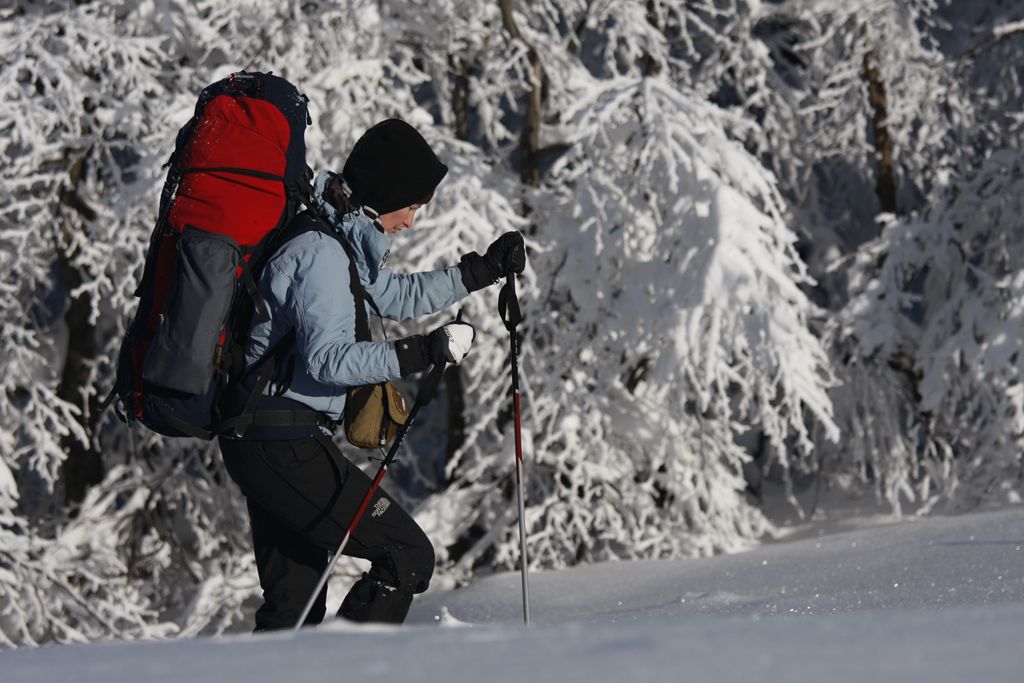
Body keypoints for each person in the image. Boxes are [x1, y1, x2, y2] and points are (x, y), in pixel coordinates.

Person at [217, 118, 525, 631]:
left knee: (293, 613)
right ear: (384, 195)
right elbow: (330, 359)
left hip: (267, 438)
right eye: (412, 206)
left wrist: (482, 271)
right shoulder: (319, 254)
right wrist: (422, 352)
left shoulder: (336, 240)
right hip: (278, 442)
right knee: (406, 555)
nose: (411, 221)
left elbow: (396, 297)